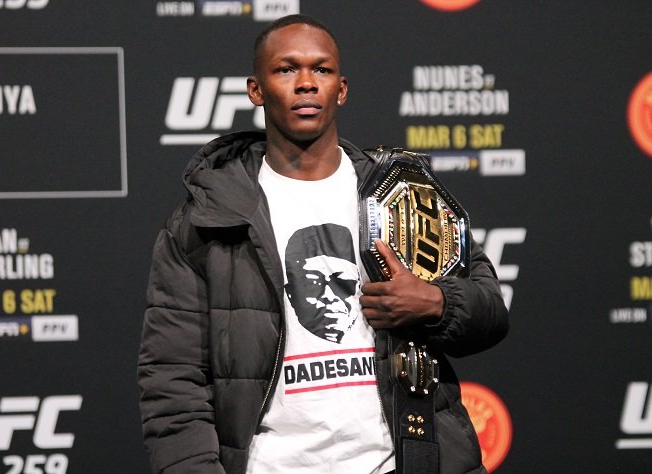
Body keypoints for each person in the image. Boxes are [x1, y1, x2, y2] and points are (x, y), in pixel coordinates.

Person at [138, 14, 508, 474]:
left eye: (322, 69)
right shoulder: (207, 216)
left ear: (342, 88)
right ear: (256, 90)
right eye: (286, 69)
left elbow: (491, 314)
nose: (307, 83)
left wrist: (436, 303)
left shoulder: (402, 193)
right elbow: (172, 381)